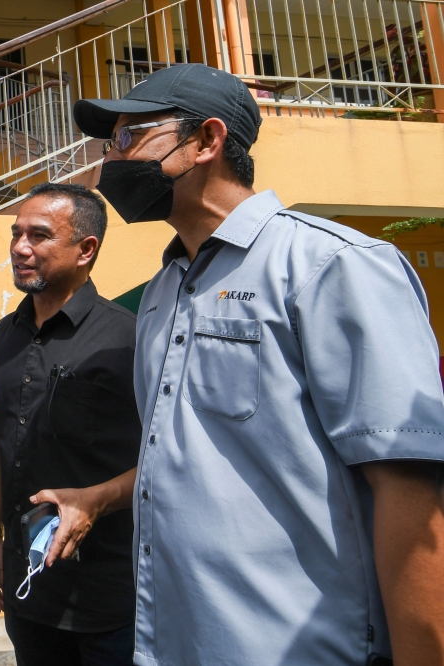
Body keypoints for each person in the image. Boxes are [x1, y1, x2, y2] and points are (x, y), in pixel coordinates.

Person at [55, 62, 444, 665]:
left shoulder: (330, 266)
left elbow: (409, 489)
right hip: (176, 643)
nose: (114, 158)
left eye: (131, 137)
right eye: (112, 142)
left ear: (206, 141)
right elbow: (183, 460)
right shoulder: (162, 291)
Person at [0, 182, 142, 666]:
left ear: (85, 249)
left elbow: (167, 456)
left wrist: (95, 501)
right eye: (16, 234)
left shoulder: (128, 338)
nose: (19, 248)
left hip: (107, 594)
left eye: (40, 236)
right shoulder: (5, 334)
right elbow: (1, 444)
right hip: (27, 589)